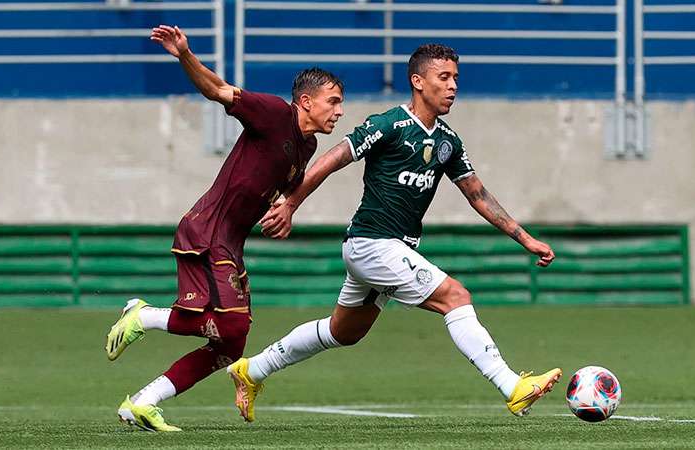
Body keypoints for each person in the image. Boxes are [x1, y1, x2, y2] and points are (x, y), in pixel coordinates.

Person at [226, 44, 559, 423]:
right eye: (444, 77)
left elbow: (477, 195)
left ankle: (251, 370)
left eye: (456, 79)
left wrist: (525, 238)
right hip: (372, 244)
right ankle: (511, 386)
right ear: (418, 81)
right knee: (455, 296)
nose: (453, 87)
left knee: (343, 332)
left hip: (387, 250)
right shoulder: (387, 125)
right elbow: (332, 160)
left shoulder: (449, 141)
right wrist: (290, 203)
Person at [103, 24, 344, 432]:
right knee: (230, 325)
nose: (339, 110)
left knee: (232, 343)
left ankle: (143, 402)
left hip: (229, 243)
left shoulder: (307, 146)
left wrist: (284, 209)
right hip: (207, 234)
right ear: (305, 101)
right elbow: (218, 90)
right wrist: (184, 54)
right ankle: (143, 317)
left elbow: (275, 186)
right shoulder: (272, 113)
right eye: (333, 101)